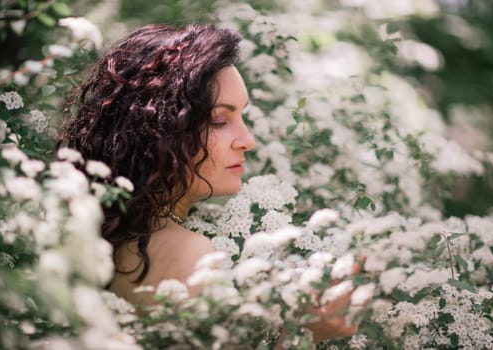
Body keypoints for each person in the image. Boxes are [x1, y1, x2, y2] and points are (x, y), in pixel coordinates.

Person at [60, 23, 357, 344]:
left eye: (242, 116)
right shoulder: (186, 252)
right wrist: (307, 332)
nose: (247, 140)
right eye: (219, 120)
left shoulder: (120, 232)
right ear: (159, 128)